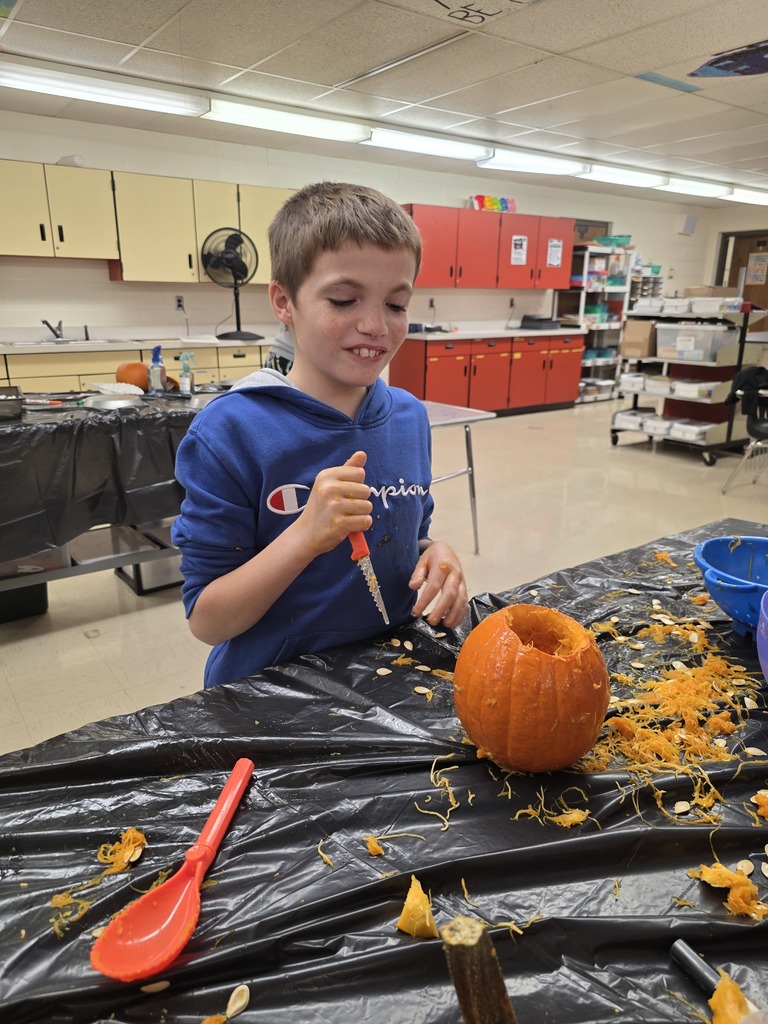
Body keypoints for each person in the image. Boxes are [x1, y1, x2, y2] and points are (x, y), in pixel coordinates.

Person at [172, 181, 468, 688]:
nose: (376, 325)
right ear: (284, 302)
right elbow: (208, 620)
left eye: (396, 305)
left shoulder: (408, 417)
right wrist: (306, 537)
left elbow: (409, 533)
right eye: (344, 299)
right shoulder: (231, 431)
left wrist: (436, 556)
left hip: (389, 677)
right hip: (272, 692)